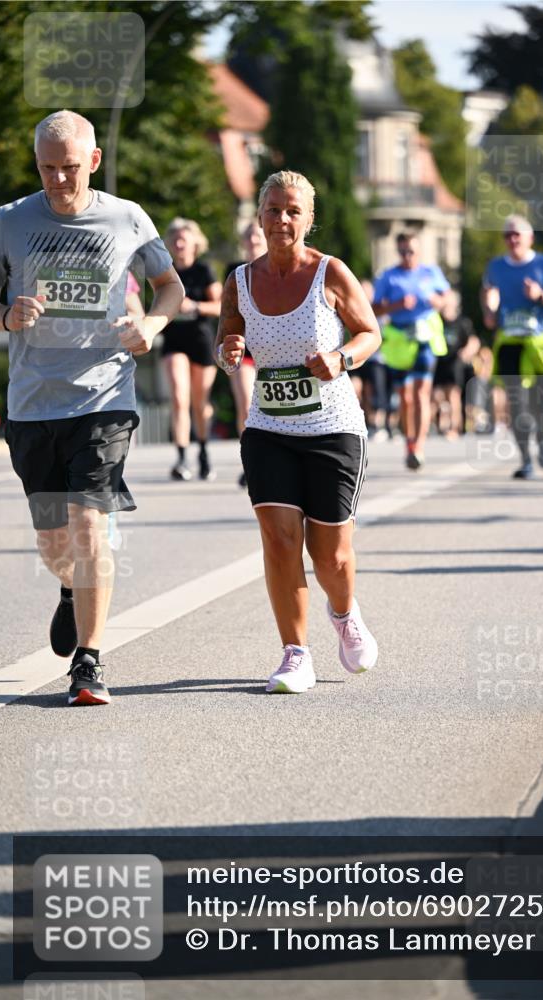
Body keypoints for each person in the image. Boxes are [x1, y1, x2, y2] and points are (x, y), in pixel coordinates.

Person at [0, 110, 183, 706]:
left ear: (93, 161)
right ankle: (72, 593)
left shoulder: (128, 219)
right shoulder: (9, 222)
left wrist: (151, 323)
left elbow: (170, 286)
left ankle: (90, 662)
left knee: (89, 526)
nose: (57, 180)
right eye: (47, 169)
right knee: (55, 545)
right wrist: (4, 316)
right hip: (31, 405)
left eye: (70, 168)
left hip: (104, 396)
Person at [215, 170, 380, 694]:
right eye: (272, 209)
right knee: (280, 540)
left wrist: (340, 357)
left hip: (332, 428)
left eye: (292, 211)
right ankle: (295, 654)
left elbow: (369, 332)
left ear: (309, 219)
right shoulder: (239, 280)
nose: (281, 219)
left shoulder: (331, 272)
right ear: (258, 215)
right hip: (268, 427)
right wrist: (229, 352)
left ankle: (344, 612)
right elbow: (228, 336)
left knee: (330, 556)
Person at [481, 215, 543, 479]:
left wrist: (540, 296)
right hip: (510, 342)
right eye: (507, 235)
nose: (512, 239)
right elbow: (488, 302)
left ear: (530, 237)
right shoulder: (496, 267)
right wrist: (489, 308)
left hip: (540, 342)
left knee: (541, 402)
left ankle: (542, 439)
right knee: (516, 403)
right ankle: (526, 460)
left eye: (517, 234)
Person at [373, 233, 449, 470]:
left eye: (411, 252)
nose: (407, 256)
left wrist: (436, 300)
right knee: (405, 398)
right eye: (403, 252)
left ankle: (419, 446)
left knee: (420, 394)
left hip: (425, 338)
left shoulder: (430, 273)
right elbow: (374, 308)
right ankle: (409, 441)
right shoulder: (389, 276)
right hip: (398, 340)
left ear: (419, 251)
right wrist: (396, 305)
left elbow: (446, 299)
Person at [161, 218, 221, 481]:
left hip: (201, 339)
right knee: (178, 397)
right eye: (174, 238)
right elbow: (157, 305)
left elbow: (221, 306)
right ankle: (182, 458)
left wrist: (194, 307)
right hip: (174, 340)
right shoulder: (165, 272)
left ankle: (204, 453)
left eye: (183, 238)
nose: (178, 242)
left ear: (194, 243)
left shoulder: (204, 270)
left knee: (200, 403)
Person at [224, 221, 268, 487]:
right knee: (247, 404)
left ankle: (271, 458)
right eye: (249, 235)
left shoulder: (276, 269)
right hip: (244, 348)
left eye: (257, 234)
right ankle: (250, 461)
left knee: (270, 407)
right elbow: (227, 311)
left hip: (273, 348)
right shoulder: (235, 272)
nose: (253, 239)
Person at [433, 290, 480, 438]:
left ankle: (455, 427)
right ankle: (440, 423)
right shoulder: (436, 320)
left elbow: (474, 340)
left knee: (453, 394)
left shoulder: (462, 322)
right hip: (439, 362)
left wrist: (467, 352)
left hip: (455, 363)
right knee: (437, 395)